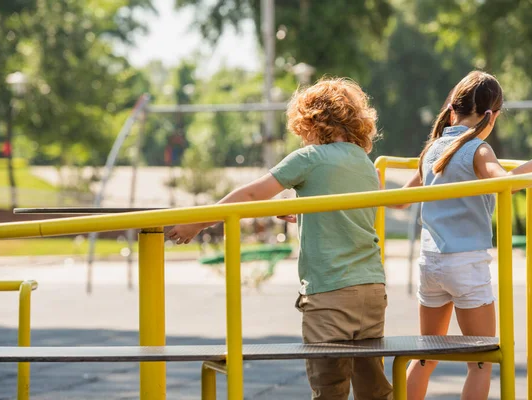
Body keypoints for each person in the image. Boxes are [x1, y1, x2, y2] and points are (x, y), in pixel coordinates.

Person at [168, 78, 393, 400]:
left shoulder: (311, 158)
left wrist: (197, 223)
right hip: (372, 288)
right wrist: (306, 214)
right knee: (373, 387)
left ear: (313, 122)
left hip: (329, 290)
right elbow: (349, 217)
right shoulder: (366, 165)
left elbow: (251, 195)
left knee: (329, 387)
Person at [389, 70, 532, 400]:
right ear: (490, 116)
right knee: (481, 363)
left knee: (426, 357)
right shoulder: (478, 150)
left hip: (431, 264)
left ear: (453, 109)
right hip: (466, 264)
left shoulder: (432, 150)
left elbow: (398, 201)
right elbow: (505, 183)